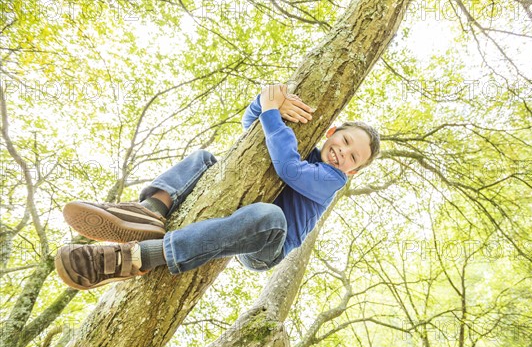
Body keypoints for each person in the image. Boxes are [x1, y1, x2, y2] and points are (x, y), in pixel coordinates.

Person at [54, 84, 380, 290]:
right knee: (206, 159)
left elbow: (287, 167)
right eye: (346, 141)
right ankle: (151, 210)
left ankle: (136, 258)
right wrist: (264, 104)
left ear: (352, 173)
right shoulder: (303, 139)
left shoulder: (331, 181)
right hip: (242, 212)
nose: (343, 153)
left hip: (266, 244)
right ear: (333, 130)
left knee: (270, 217)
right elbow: (252, 129)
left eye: (354, 157)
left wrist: (270, 113)